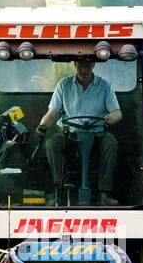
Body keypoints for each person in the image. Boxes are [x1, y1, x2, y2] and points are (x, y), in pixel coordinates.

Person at [35, 58, 122, 205]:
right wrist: (42, 126)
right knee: (52, 144)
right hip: (70, 134)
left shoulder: (104, 86)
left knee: (110, 142)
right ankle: (59, 191)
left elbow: (117, 112)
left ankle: (104, 194)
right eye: (80, 66)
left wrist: (112, 117)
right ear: (75, 65)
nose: (84, 70)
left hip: (96, 134)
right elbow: (52, 113)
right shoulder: (64, 85)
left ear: (93, 65)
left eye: (88, 66)